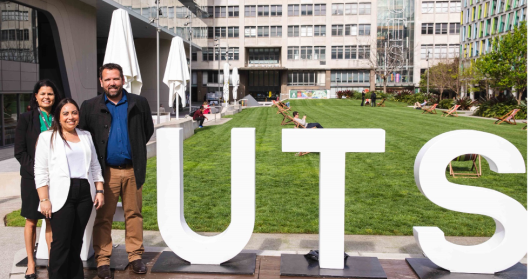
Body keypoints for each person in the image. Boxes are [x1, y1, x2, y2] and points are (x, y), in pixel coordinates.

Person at [79, 63, 155, 278]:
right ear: (101, 82)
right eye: (108, 79)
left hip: (132, 170)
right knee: (104, 217)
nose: (112, 83)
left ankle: (135, 256)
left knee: (134, 214)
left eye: (116, 78)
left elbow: (147, 130)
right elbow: (84, 136)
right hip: (106, 173)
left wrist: (135, 150)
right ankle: (103, 260)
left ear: (123, 80)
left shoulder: (139, 103)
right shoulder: (90, 105)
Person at [35, 98, 105, 279]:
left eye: (74, 113)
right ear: (58, 116)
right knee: (60, 243)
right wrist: (44, 199)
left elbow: (95, 166)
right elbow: (40, 171)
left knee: (77, 242)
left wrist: (99, 190)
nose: (70, 117)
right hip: (60, 194)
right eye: (65, 113)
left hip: (84, 192)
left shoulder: (85, 136)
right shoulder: (47, 137)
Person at [15, 79, 63, 278]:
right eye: (42, 93)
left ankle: (54, 263)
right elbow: (20, 151)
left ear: (55, 96)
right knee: (31, 221)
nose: (46, 97)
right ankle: (31, 264)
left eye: (50, 93)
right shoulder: (26, 118)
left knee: (51, 220)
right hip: (31, 178)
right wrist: (37, 171)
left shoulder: (60, 117)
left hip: (56, 177)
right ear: (36, 96)